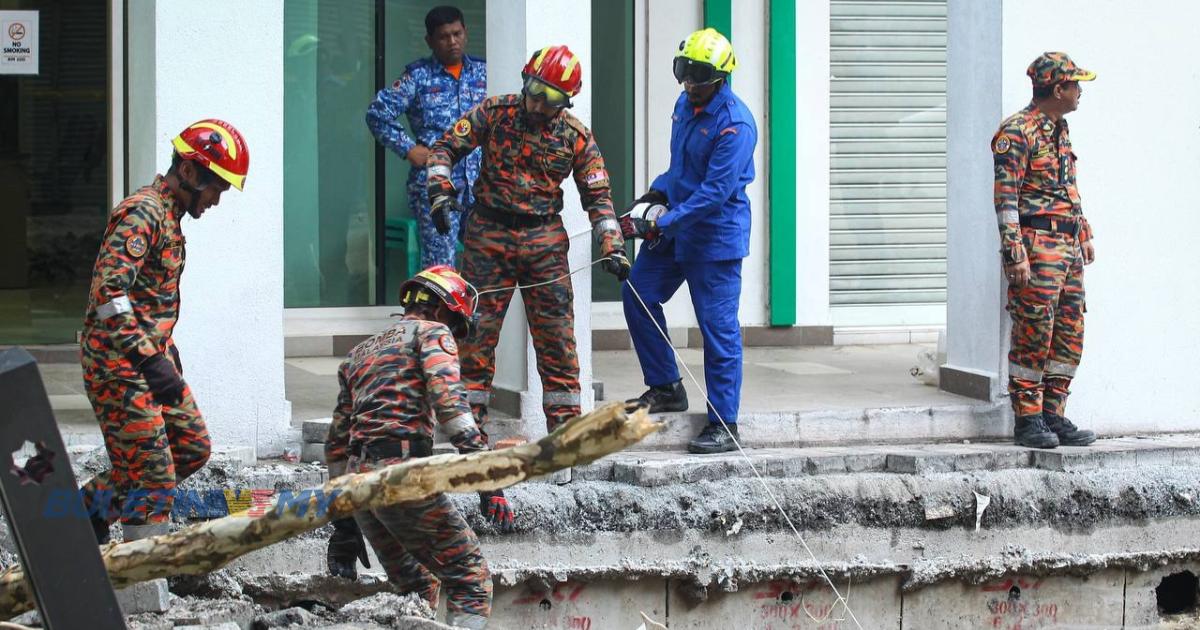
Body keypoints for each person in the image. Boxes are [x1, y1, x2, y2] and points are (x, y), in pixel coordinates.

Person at [425, 45, 629, 437]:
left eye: (550, 98)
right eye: (534, 90)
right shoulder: (494, 113)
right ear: (525, 80)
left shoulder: (575, 137)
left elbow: (599, 198)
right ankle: (466, 433)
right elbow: (444, 148)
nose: (537, 104)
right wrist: (440, 188)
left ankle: (564, 438)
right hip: (488, 236)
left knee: (557, 342)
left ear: (566, 101)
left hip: (544, 242)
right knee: (473, 335)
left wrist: (613, 247)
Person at [79, 119, 250, 542]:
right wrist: (148, 359)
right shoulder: (144, 213)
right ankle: (141, 586)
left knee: (190, 446)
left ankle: (85, 514)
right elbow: (108, 292)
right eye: (216, 187)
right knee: (152, 478)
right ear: (189, 172)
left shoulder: (170, 218)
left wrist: (163, 358)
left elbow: (147, 302)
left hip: (151, 362)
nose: (216, 199)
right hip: (119, 365)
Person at [324, 266, 510, 630]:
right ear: (442, 310)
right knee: (471, 580)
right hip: (401, 475)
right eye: (456, 326)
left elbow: (336, 445)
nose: (455, 336)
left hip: (359, 484)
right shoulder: (433, 332)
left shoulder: (359, 354)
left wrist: (344, 524)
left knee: (416, 586)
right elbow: (451, 408)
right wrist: (489, 481)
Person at [619, 28, 757, 455]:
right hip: (676, 223)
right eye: (684, 73)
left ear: (719, 77)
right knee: (637, 292)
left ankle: (724, 423)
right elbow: (682, 169)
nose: (688, 84)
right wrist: (656, 194)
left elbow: (714, 193)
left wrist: (663, 222)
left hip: (713, 236)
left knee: (717, 330)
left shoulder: (735, 124)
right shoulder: (685, 104)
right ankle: (666, 386)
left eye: (697, 77)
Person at [992, 52, 1098, 449]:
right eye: (1075, 84)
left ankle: (1053, 414)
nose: (1079, 91)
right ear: (1058, 89)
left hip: (1067, 248)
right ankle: (1028, 420)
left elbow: (1068, 187)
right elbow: (1005, 198)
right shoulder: (1017, 132)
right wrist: (1013, 252)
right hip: (1037, 248)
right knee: (1034, 331)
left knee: (1069, 331)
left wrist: (1083, 231)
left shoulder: (1060, 129)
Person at [366, 5, 486, 268]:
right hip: (437, 186)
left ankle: (475, 311)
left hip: (480, 184)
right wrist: (408, 149)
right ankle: (437, 310)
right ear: (430, 41)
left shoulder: (483, 72)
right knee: (439, 263)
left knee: (485, 261)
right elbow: (377, 114)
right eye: (444, 36)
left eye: (457, 33)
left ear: (465, 32)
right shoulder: (417, 77)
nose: (452, 42)